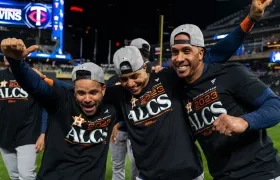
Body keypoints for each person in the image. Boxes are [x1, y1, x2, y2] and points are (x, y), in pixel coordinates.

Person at [25, 1, 271, 179]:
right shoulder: (118, 92)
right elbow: (85, 89)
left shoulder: (167, 77)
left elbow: (212, 55)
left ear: (148, 67)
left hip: (190, 173)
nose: (131, 83)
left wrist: (249, 20)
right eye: (125, 79)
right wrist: (48, 82)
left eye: (135, 76)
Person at [169, 11, 280, 180]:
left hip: (260, 172)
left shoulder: (231, 74)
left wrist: (244, 121)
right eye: (174, 52)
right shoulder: (178, 88)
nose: (179, 58)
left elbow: (276, 106)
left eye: (186, 51)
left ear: (201, 54)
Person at [1, 42, 119, 180]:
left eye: (93, 92)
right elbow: (35, 86)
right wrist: (16, 63)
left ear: (103, 89)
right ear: (73, 90)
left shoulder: (114, 104)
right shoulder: (61, 99)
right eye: (81, 93)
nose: (87, 99)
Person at [107, 38, 154, 180]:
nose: (142, 57)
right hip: (119, 130)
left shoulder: (152, 76)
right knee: (118, 166)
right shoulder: (116, 79)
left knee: (137, 165)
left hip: (138, 130)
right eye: (139, 53)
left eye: (144, 54)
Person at [0, 56, 47, 180]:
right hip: (5, 133)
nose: (7, 56)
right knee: (14, 176)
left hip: (28, 133)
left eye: (12, 53)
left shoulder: (32, 76)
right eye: (5, 53)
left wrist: (43, 133)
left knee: (26, 176)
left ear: (23, 56)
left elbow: (45, 106)